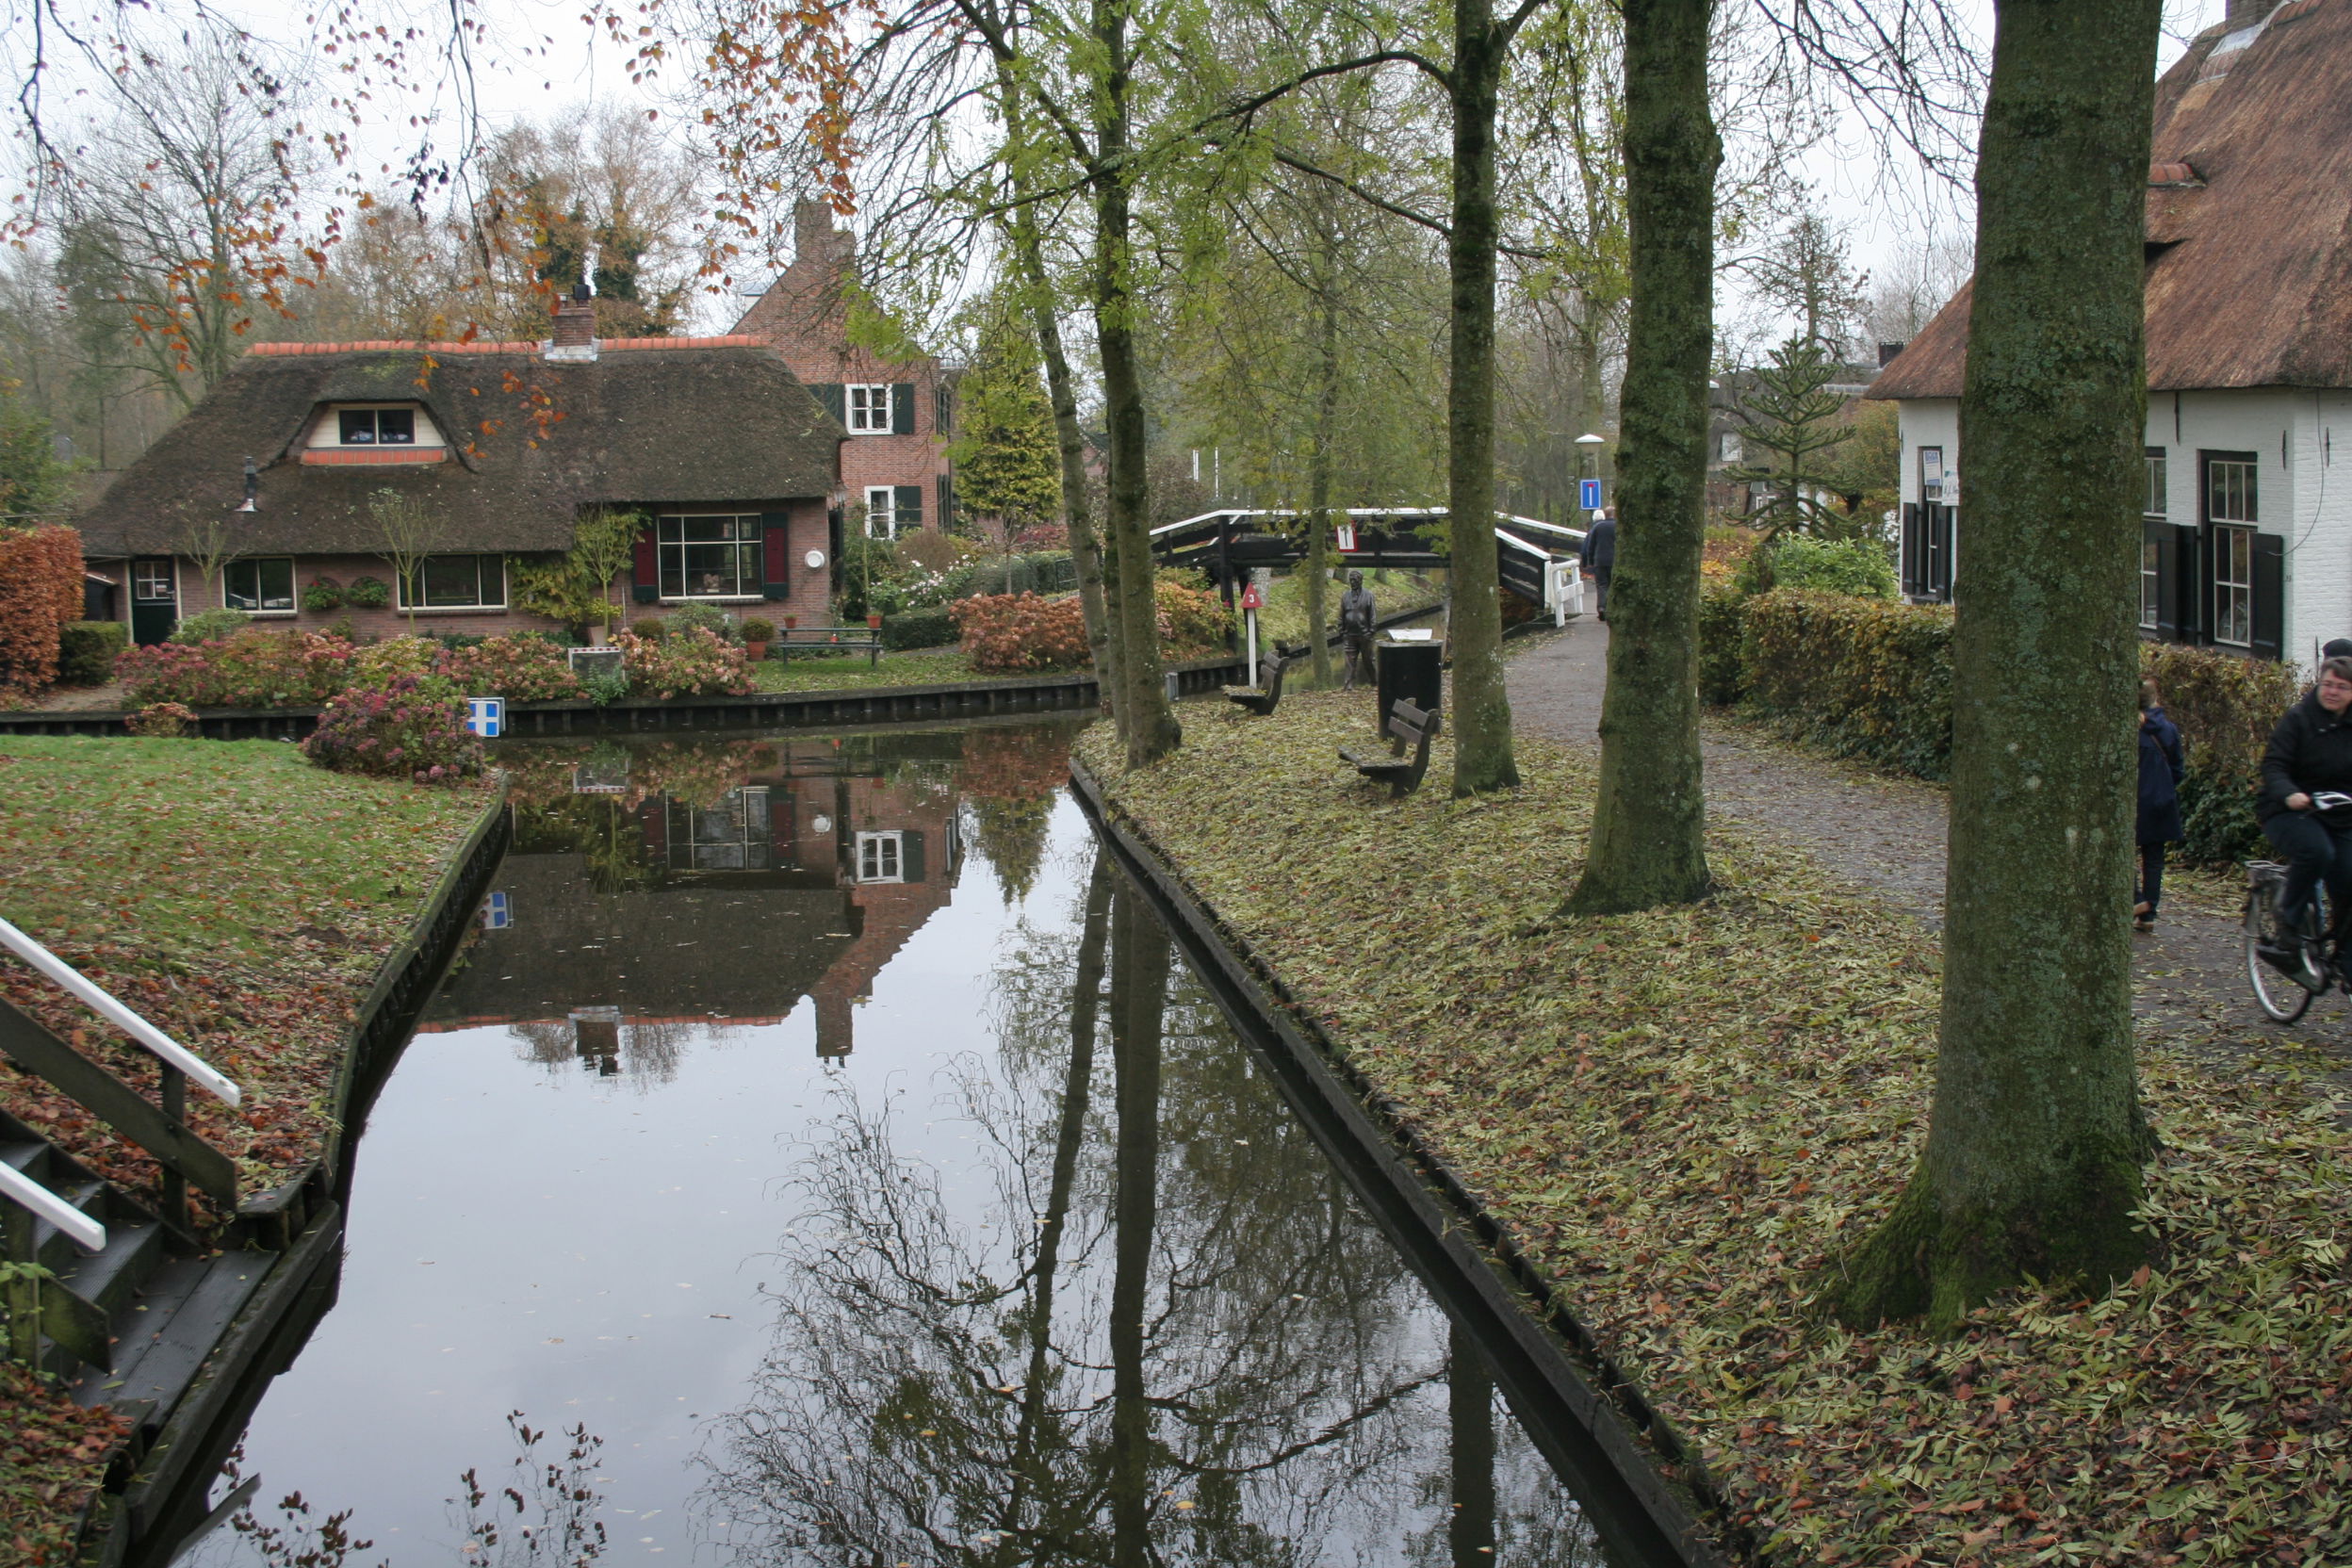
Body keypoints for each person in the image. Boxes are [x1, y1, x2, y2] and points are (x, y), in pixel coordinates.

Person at [2258, 654, 2352, 979]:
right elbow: (2274, 765)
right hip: (2289, 811)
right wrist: (2289, 793)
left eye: (2342, 687)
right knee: (2317, 851)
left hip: (2340, 814)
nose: (2333, 692)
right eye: (2327, 684)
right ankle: (2288, 927)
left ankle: (2345, 955)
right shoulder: (2298, 720)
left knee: (2349, 876)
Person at [2135, 678, 2184, 933]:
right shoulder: (2168, 729)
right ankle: (2149, 913)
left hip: (2135, 800)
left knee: (2123, 854)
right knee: (2154, 860)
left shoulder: (2131, 730)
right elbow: (2178, 768)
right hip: (2162, 801)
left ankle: (2137, 900)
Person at [1338, 570, 1377, 691]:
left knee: (1368, 660)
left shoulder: (1369, 595)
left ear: (1360, 580)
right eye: (1351, 580)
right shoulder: (1345, 596)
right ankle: (1348, 684)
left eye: (1355, 580)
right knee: (1350, 660)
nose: (1352, 582)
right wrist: (1341, 629)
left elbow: (1373, 614)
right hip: (1349, 634)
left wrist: (1371, 631)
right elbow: (1341, 614)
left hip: (1364, 634)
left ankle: (1375, 681)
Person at [1578, 508, 1617, 620]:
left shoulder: (1598, 527)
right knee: (1612, 585)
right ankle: (1612, 609)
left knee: (1601, 585)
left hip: (1599, 561)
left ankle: (1601, 608)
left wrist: (1590, 561)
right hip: (1614, 561)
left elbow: (1590, 545)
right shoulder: (1618, 527)